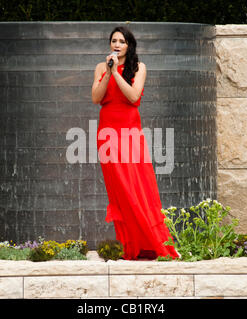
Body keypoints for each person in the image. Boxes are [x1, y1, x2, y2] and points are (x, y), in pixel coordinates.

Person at [91, 26, 179, 260]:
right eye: (113, 41)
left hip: (130, 133)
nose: (116, 44)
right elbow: (95, 98)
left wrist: (117, 74)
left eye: (121, 41)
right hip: (107, 134)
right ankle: (129, 245)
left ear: (129, 46)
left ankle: (151, 242)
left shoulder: (139, 68)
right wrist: (108, 73)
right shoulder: (101, 68)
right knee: (119, 191)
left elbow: (133, 97)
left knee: (137, 187)